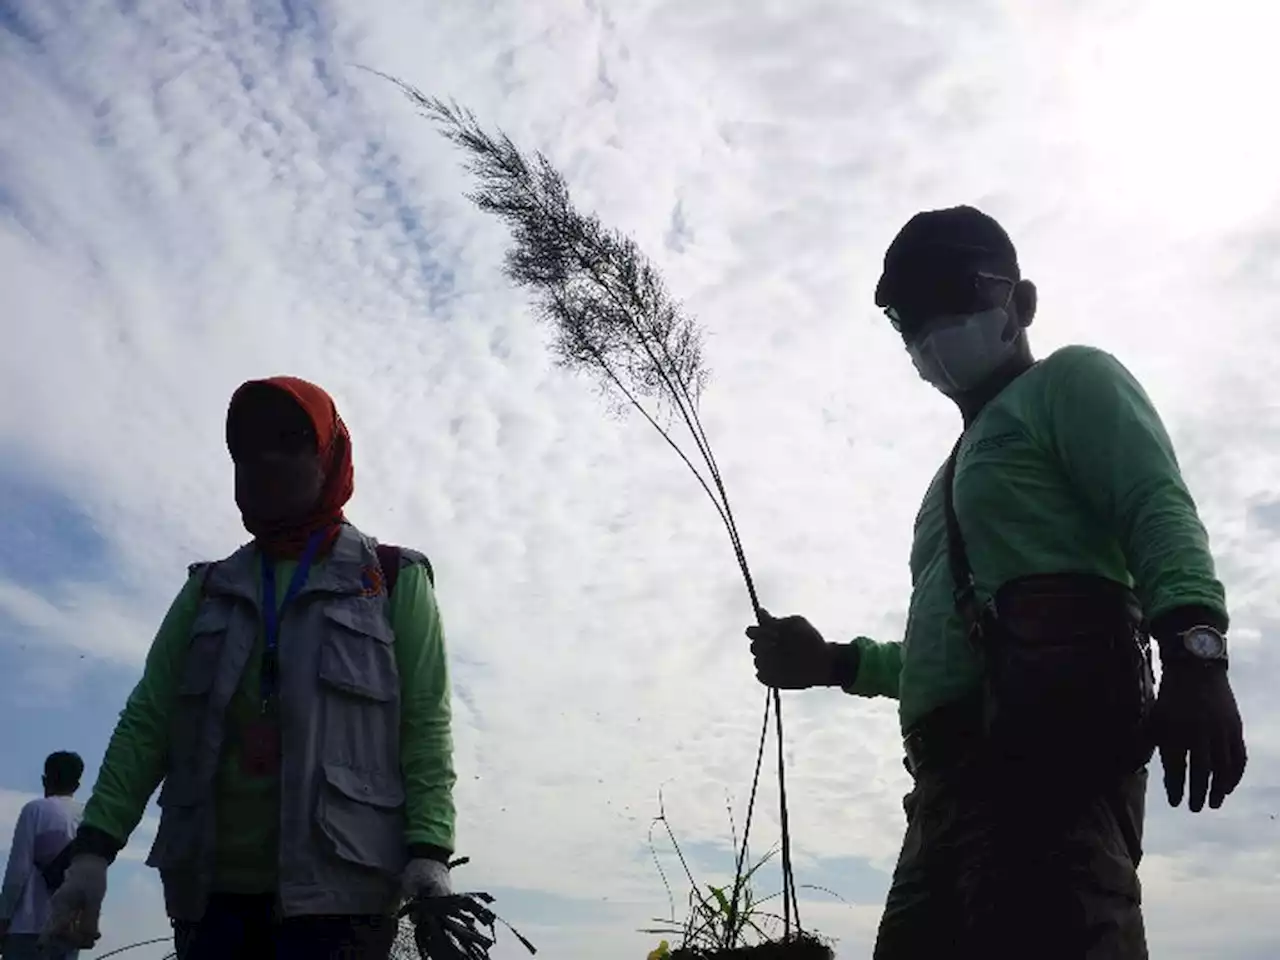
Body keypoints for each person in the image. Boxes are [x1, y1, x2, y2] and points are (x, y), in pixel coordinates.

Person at [747, 206, 1247, 960]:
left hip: (1055, 771)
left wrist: (1196, 653)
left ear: (1021, 302)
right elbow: (951, 647)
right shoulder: (941, 486)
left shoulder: (1072, 381)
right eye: (905, 316)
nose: (929, 328)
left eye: (954, 293)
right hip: (943, 795)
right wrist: (836, 664)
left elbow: (1155, 505)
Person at [43, 377, 458, 960]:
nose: (265, 459)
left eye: (289, 440)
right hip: (207, 898)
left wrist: (430, 850)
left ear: (331, 455)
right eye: (247, 447)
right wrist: (93, 851)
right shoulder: (206, 589)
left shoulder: (392, 580)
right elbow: (148, 720)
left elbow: (425, 723)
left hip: (344, 901)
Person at [0, 752, 85, 960]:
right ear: (77, 785)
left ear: (45, 779)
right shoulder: (88, 815)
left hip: (27, 927)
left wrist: (3, 917)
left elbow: (17, 872)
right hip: (68, 929)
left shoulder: (34, 811)